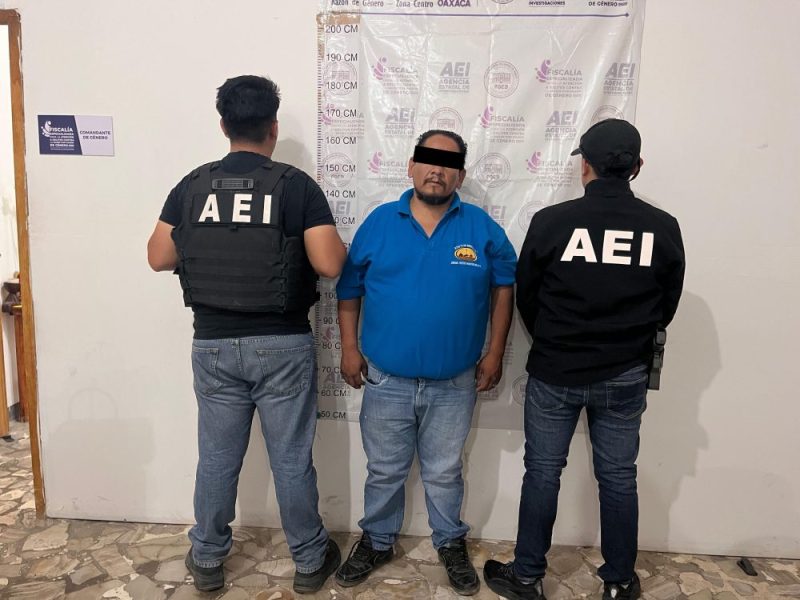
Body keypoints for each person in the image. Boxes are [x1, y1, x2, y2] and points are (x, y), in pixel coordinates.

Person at [146, 75, 346, 594]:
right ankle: (309, 560)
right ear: (273, 127)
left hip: (213, 344)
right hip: (281, 344)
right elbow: (330, 264)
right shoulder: (296, 186)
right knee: (290, 459)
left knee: (217, 458)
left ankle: (208, 558)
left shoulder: (192, 185)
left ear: (223, 125)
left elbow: (158, 257)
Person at [484, 119, 685, 600]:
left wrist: (556, 338)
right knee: (618, 477)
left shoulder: (552, 221)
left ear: (584, 166)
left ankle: (527, 577)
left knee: (542, 472)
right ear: (637, 167)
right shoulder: (663, 227)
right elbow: (667, 305)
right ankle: (619, 582)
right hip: (625, 372)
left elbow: (528, 296)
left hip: (556, 369)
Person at [334, 130, 517, 596]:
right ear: (411, 167)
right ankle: (377, 541)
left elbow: (504, 287)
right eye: (428, 160)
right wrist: (349, 348)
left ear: (461, 175)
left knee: (444, 470)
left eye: (448, 163)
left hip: (454, 383)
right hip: (386, 380)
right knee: (384, 470)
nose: (437, 170)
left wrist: (496, 352)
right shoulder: (379, 223)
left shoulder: (481, 228)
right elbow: (349, 289)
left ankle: (449, 541)